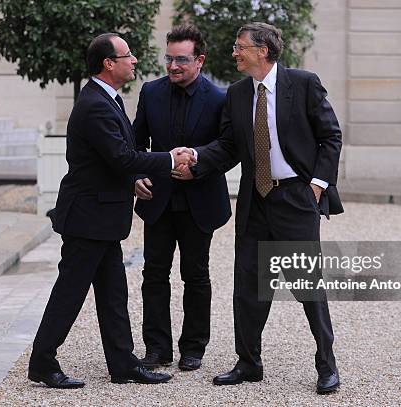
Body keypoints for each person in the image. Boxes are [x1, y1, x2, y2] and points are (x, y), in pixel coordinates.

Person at [27, 33, 196, 388]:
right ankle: (42, 361)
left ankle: (123, 365)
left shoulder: (107, 99)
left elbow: (112, 159)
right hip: (88, 218)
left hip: (101, 218)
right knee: (70, 293)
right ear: (109, 63)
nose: (134, 60)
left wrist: (131, 179)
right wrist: (168, 159)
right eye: (128, 55)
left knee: (113, 294)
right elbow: (121, 156)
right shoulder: (95, 104)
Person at [184, 22, 343, 394]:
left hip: (295, 199)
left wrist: (317, 185)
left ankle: (327, 365)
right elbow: (227, 147)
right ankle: (249, 363)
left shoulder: (303, 84)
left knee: (308, 287)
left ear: (264, 51)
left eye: (241, 47)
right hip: (255, 200)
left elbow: (330, 136)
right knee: (249, 287)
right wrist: (195, 158)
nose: (235, 52)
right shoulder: (237, 94)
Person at [132, 24, 232, 372]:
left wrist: (198, 162)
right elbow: (134, 143)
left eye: (181, 60)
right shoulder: (150, 92)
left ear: (200, 60)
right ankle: (157, 349)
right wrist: (136, 175)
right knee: (153, 276)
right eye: (169, 59)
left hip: (200, 202)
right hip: (157, 200)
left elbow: (228, 148)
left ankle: (194, 348)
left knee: (196, 275)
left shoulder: (221, 98)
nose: (172, 66)